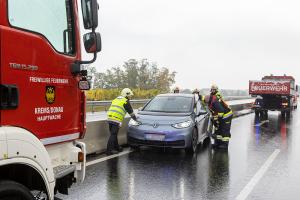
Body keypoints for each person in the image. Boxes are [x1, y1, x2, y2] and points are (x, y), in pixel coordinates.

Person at [106, 88, 137, 155]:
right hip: (116, 119)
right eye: (130, 96)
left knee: (114, 134)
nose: (130, 97)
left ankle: (117, 147)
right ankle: (109, 150)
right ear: (126, 95)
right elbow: (131, 113)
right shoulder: (125, 101)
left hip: (109, 118)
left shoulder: (116, 99)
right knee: (113, 134)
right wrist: (136, 120)